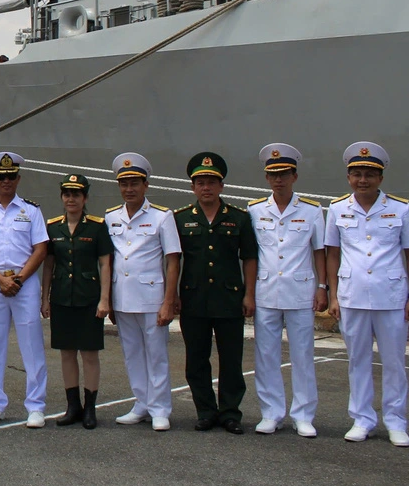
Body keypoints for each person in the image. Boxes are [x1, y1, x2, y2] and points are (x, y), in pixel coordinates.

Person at [326, 142, 409, 447]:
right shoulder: (337, 208)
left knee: (394, 362)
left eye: (369, 174)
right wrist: (333, 296)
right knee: (358, 360)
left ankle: (396, 421)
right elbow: (332, 254)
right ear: (348, 177)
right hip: (353, 295)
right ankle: (362, 419)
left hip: (391, 297)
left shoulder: (401, 208)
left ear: (380, 178)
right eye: (357, 174)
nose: (363, 180)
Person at [174, 152, 257, 434]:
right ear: (192, 187)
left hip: (229, 298)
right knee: (196, 359)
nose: (206, 187)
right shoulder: (181, 219)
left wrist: (249, 295)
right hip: (193, 298)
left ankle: (231, 412)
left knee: (231, 359)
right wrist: (172, 295)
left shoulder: (239, 218)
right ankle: (206, 411)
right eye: (200, 182)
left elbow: (249, 258)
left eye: (211, 181)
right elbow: (173, 260)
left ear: (221, 186)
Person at [247, 143, 326, 438]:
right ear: (267, 179)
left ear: (294, 176)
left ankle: (303, 415)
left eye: (284, 174)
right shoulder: (255, 210)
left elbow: (320, 251)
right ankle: (271, 413)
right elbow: (251, 254)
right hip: (266, 291)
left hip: (300, 291)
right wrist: (249, 292)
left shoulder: (312, 210)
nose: (278, 180)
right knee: (265, 355)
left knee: (303, 355)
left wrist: (322, 287)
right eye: (273, 175)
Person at [0, 151, 50, 427]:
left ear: (18, 178)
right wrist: (0, 280)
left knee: (32, 345)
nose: (6, 181)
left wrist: (19, 279)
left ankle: (36, 406)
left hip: (23, 285)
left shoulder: (31, 211)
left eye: (11, 176)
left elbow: (41, 249)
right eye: (1, 177)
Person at [105, 152, 180, 432]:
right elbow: (109, 261)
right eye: (124, 184)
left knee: (156, 354)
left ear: (145, 185)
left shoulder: (162, 216)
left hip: (152, 298)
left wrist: (168, 302)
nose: (129, 189)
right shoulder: (111, 217)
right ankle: (142, 403)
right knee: (132, 353)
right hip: (123, 297)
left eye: (135, 183)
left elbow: (173, 260)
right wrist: (109, 300)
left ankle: (160, 408)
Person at [40, 173, 113, 430]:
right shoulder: (53, 227)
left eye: (77, 194)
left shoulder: (96, 226)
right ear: (62, 197)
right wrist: (45, 298)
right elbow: (48, 265)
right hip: (62, 297)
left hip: (88, 298)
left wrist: (105, 300)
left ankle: (90, 408)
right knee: (67, 353)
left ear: (85, 198)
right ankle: (73, 407)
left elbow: (105, 263)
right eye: (67, 194)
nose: (71, 199)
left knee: (90, 354)